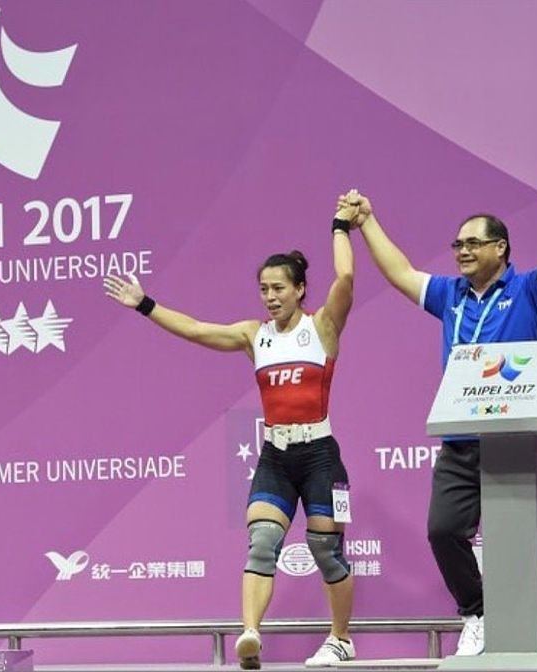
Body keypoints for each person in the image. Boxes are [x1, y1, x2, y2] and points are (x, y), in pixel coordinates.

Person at [340, 147, 537, 656]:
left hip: (514, 440)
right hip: (460, 440)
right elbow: (401, 273)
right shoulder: (449, 295)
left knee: (520, 546)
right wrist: (367, 222)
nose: (462, 251)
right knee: (442, 530)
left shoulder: (528, 290)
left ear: (500, 247)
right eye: (457, 244)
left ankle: (525, 638)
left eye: (473, 243)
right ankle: (478, 612)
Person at [103, 203, 359, 669]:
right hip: (276, 457)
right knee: (262, 541)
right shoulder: (252, 335)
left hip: (321, 457)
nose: (270, 297)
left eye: (279, 288)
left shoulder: (321, 327)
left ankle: (341, 639)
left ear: (300, 289)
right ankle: (250, 635)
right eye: (263, 290)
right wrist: (144, 304)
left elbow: (345, 278)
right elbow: (196, 330)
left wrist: (341, 226)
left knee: (326, 552)